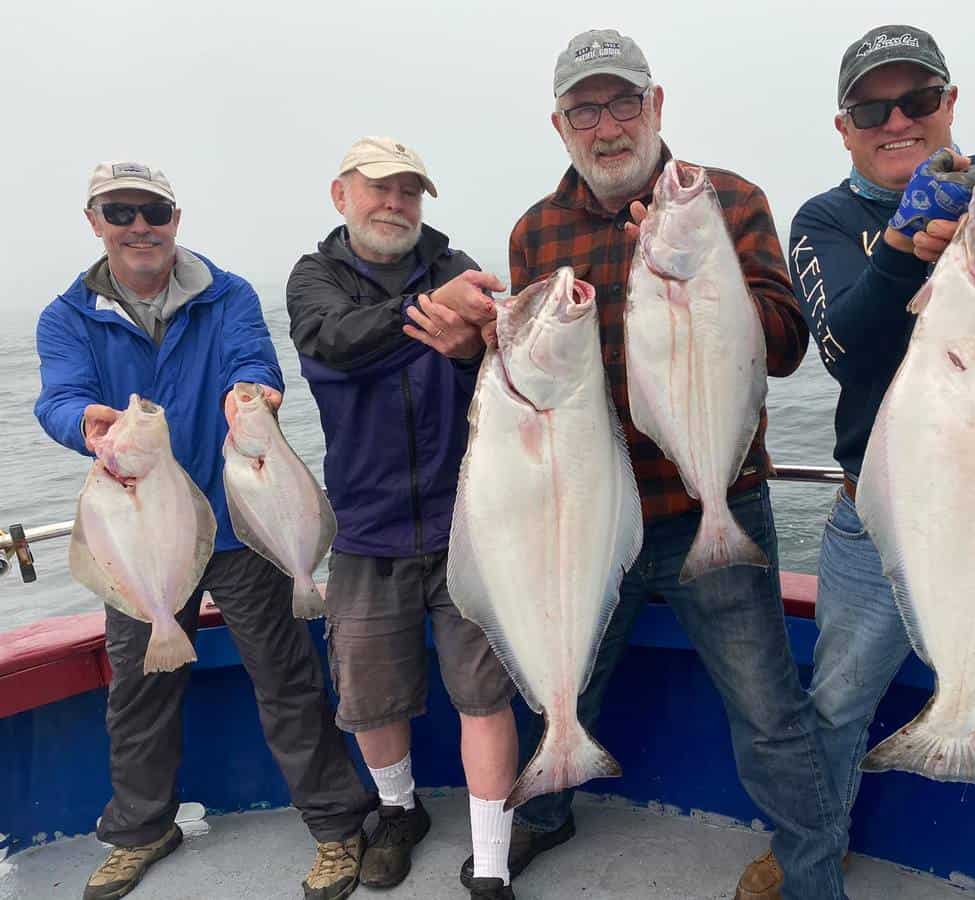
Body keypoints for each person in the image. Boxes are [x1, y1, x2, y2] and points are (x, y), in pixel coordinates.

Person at [461, 30, 847, 900]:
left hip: (716, 500)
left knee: (766, 708)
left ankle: (814, 871)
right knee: (567, 679)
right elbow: (528, 369)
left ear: (657, 105)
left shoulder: (725, 200)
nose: (608, 127)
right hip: (590, 515)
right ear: (559, 125)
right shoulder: (537, 232)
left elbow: (784, 347)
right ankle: (547, 812)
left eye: (623, 102)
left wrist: (699, 274)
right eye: (585, 110)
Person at [784, 25, 975, 900]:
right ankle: (816, 856)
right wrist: (895, 257)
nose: (897, 121)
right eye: (871, 108)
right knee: (837, 709)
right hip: (876, 523)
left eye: (917, 100)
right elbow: (840, 344)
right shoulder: (826, 220)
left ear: (949, 104)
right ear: (843, 127)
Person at [34, 161, 377, 900]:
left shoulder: (226, 295)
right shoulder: (68, 316)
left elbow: (251, 357)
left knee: (286, 680)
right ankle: (140, 829)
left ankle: (336, 827)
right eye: (119, 212)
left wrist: (249, 393)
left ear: (175, 217)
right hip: (140, 532)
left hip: (234, 528)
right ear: (95, 222)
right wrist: (83, 423)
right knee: (137, 690)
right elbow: (58, 396)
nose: (138, 226)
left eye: (151, 209)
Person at [285, 137, 520, 900]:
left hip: (468, 525)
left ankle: (491, 860)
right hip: (365, 529)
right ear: (340, 195)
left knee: (485, 694)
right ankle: (397, 811)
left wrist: (464, 350)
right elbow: (331, 345)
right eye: (380, 189)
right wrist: (429, 317)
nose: (395, 204)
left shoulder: (458, 269)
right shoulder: (314, 278)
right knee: (369, 695)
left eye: (410, 193)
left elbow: (502, 375)